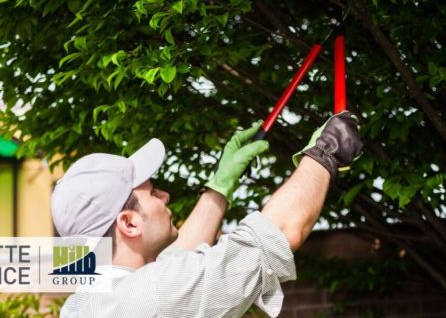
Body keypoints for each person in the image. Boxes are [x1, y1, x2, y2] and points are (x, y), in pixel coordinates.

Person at [51, 111, 362, 318]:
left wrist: (219, 186)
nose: (164, 196)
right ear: (129, 223)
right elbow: (277, 235)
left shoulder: (83, 304)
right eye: (152, 192)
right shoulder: (155, 296)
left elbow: (175, 263)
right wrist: (324, 153)